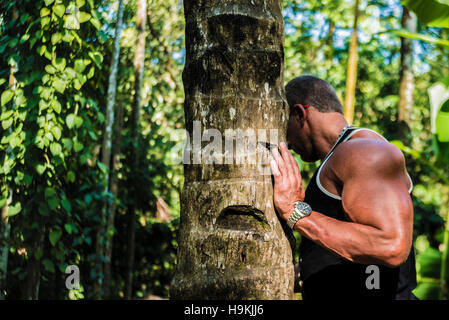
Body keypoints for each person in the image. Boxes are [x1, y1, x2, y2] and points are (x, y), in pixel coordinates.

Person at [270, 75, 417, 300]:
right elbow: (348, 259)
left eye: (283, 125)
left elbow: (390, 245)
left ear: (299, 114)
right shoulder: (340, 157)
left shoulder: (365, 152)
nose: (286, 142)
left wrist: (295, 212)